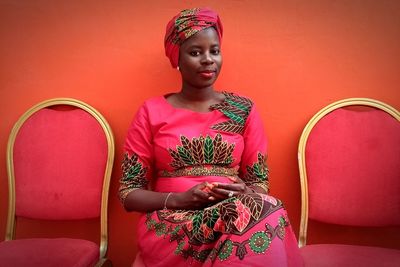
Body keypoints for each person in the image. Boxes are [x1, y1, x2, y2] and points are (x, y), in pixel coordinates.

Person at [119, 7, 303, 267]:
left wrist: (245, 191)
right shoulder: (151, 111)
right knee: (259, 211)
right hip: (173, 224)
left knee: (265, 205)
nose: (208, 59)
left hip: (236, 216)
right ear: (177, 59)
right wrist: (179, 200)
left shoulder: (243, 109)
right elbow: (129, 194)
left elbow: (260, 184)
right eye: (195, 52)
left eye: (214, 51)